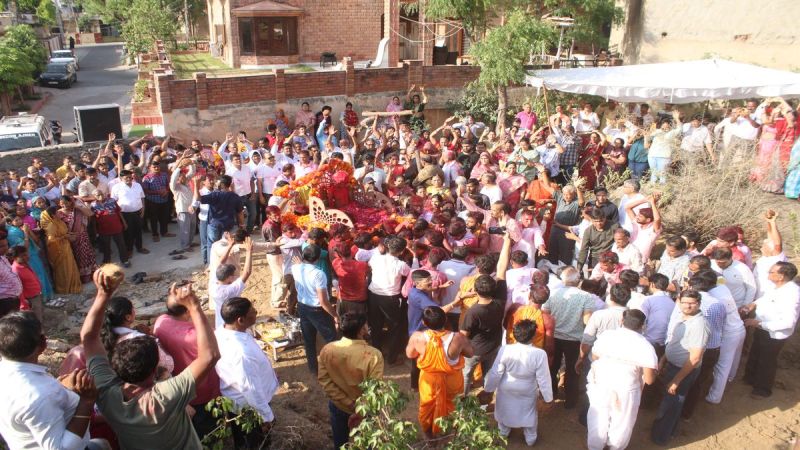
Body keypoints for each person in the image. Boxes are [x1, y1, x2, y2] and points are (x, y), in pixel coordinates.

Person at [81, 270, 221, 450]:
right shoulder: (167, 395)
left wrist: (102, 294)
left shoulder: (108, 396)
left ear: (115, 365)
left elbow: (89, 337)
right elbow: (211, 356)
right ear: (156, 368)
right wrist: (193, 305)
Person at [0, 312, 109, 450]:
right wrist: (86, 402)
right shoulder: (40, 396)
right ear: (43, 343)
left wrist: (60, 386)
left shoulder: (10, 374)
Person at [153, 287, 222, 441]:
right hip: (204, 390)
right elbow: (214, 352)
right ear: (187, 311)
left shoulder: (161, 322)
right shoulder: (195, 334)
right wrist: (195, 308)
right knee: (210, 429)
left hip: (181, 387)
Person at [587, 309, 657, 450]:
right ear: (643, 326)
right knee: (622, 423)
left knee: (598, 418)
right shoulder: (646, 346)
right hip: (626, 388)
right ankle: (614, 447)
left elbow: (595, 357)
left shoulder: (607, 336)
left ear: (621, 321)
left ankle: (595, 446)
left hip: (601, 383)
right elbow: (649, 380)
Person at [215, 297, 278, 449]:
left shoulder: (223, 331)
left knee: (243, 440)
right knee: (254, 443)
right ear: (240, 320)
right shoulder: (241, 353)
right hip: (248, 408)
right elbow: (250, 389)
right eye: (252, 312)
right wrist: (266, 417)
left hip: (239, 401)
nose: (256, 312)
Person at [318, 313, 384, 450]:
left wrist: (348, 403)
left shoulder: (327, 350)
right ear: (361, 330)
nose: (367, 327)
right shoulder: (373, 355)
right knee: (367, 442)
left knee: (340, 442)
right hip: (365, 410)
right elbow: (374, 388)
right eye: (365, 325)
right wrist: (359, 409)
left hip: (339, 405)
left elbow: (325, 380)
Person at [651, 290, 709, 446]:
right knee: (672, 402)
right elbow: (673, 341)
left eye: (692, 303)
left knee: (671, 404)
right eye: (684, 302)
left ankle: (660, 437)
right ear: (679, 302)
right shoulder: (682, 317)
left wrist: (676, 380)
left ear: (698, 304)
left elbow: (695, 357)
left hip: (682, 370)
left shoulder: (699, 325)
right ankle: (669, 431)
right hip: (673, 365)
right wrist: (664, 359)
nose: (687, 306)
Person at [406, 306, 473, 438]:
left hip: (428, 382)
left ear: (424, 323)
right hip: (452, 381)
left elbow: (410, 354)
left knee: (427, 407)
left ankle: (429, 437)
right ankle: (449, 435)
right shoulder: (458, 338)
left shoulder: (417, 337)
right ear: (445, 319)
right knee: (452, 406)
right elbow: (470, 353)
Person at [484, 319, 553, 447]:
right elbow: (543, 378)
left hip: (506, 387)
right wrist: (548, 397)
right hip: (527, 389)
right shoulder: (539, 354)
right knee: (528, 413)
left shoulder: (505, 349)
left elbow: (496, 372)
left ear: (514, 334)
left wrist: (488, 389)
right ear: (533, 336)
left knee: (504, 410)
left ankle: (503, 433)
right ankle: (530, 439)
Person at [460, 232, 511, 394]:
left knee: (466, 374)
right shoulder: (500, 301)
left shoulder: (472, 312)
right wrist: (507, 242)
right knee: (489, 372)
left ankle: (463, 400)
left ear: (475, 291)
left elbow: (463, 336)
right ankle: (486, 399)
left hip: (474, 351)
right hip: (493, 346)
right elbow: (501, 268)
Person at [740, 262, 800, 397]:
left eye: (772, 272)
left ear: (781, 276)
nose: (769, 274)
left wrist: (759, 323)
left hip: (773, 333)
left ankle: (762, 389)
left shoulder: (791, 294)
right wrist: (752, 305)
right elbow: (765, 299)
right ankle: (750, 378)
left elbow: (788, 322)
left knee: (766, 361)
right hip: (762, 327)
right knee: (756, 353)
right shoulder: (777, 287)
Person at [543, 266, 596, 409]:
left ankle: (551, 394)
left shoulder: (553, 294)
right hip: (574, 339)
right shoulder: (586, 297)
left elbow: (545, 314)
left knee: (552, 367)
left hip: (553, 336)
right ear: (578, 280)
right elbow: (587, 321)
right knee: (573, 370)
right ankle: (571, 400)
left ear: (563, 279)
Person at [293, 244, 338, 374]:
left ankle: (313, 368)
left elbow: (301, 267)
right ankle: (333, 368)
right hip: (317, 310)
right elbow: (323, 301)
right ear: (318, 259)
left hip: (302, 307)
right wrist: (335, 315)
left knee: (309, 340)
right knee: (331, 338)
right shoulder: (319, 274)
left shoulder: (296, 268)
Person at [367, 236, 411, 364]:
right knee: (394, 327)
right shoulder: (401, 265)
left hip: (374, 295)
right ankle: (392, 358)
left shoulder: (375, 258)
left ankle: (376, 353)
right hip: (390, 299)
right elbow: (411, 273)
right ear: (402, 251)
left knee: (375, 325)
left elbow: (370, 265)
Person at [195, 174, 244, 262]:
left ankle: (211, 264)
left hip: (214, 224)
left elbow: (198, 198)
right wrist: (241, 224)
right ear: (230, 184)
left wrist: (196, 184)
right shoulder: (235, 197)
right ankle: (225, 262)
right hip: (228, 225)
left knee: (212, 245)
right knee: (226, 244)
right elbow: (240, 213)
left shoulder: (215, 195)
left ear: (221, 184)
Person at [210, 236, 254, 328]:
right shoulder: (229, 291)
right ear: (229, 278)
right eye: (233, 275)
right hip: (233, 324)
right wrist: (249, 251)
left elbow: (221, 261)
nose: (235, 277)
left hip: (220, 322)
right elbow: (247, 272)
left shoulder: (214, 281)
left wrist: (230, 245)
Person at [39, 207, 81, 294]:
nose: (60, 214)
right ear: (53, 215)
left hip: (65, 246)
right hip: (59, 250)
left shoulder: (59, 222)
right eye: (58, 213)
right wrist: (65, 237)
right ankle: (64, 288)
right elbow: (51, 240)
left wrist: (69, 234)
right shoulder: (51, 225)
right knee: (63, 269)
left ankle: (72, 286)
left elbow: (63, 232)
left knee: (70, 266)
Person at [57, 195, 96, 284]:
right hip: (69, 239)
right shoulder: (58, 213)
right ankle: (79, 277)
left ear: (71, 202)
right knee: (74, 257)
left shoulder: (77, 210)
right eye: (62, 203)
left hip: (81, 236)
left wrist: (77, 206)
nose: (64, 205)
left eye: (66, 203)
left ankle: (89, 275)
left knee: (85, 256)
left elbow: (90, 214)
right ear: (59, 203)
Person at [111, 170, 149, 258]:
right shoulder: (116, 187)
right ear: (121, 178)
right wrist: (119, 216)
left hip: (138, 212)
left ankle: (139, 247)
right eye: (126, 178)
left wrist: (143, 210)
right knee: (128, 232)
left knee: (138, 231)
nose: (129, 179)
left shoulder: (137, 185)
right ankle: (129, 249)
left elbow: (142, 198)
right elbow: (114, 202)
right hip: (125, 214)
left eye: (130, 177)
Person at [577, 208, 619, 276]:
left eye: (601, 221)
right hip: (595, 258)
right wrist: (579, 267)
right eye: (596, 221)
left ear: (605, 218)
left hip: (610, 258)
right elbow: (584, 250)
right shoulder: (588, 231)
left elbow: (621, 238)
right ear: (592, 220)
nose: (599, 223)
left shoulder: (614, 226)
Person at [169, 153, 196, 255]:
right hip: (182, 211)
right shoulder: (175, 187)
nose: (184, 177)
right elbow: (173, 178)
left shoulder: (187, 182)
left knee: (192, 227)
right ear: (178, 179)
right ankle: (185, 246)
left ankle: (190, 243)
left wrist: (191, 162)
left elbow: (192, 172)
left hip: (191, 209)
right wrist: (179, 168)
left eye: (184, 176)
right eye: (181, 177)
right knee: (185, 229)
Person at [645, 112, 682, 184]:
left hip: (664, 156)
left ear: (670, 127)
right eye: (663, 127)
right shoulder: (657, 132)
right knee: (653, 173)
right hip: (652, 155)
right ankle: (653, 187)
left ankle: (662, 189)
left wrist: (677, 118)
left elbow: (680, 128)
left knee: (662, 174)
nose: (665, 129)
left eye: (667, 127)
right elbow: (648, 134)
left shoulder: (672, 133)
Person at [141, 162, 173, 242]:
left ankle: (164, 232)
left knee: (164, 217)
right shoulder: (146, 178)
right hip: (153, 201)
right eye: (154, 167)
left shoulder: (164, 175)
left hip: (164, 200)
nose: (156, 168)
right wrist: (158, 192)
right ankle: (155, 234)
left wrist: (166, 190)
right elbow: (145, 191)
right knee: (153, 218)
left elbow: (168, 184)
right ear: (150, 168)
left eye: (157, 166)